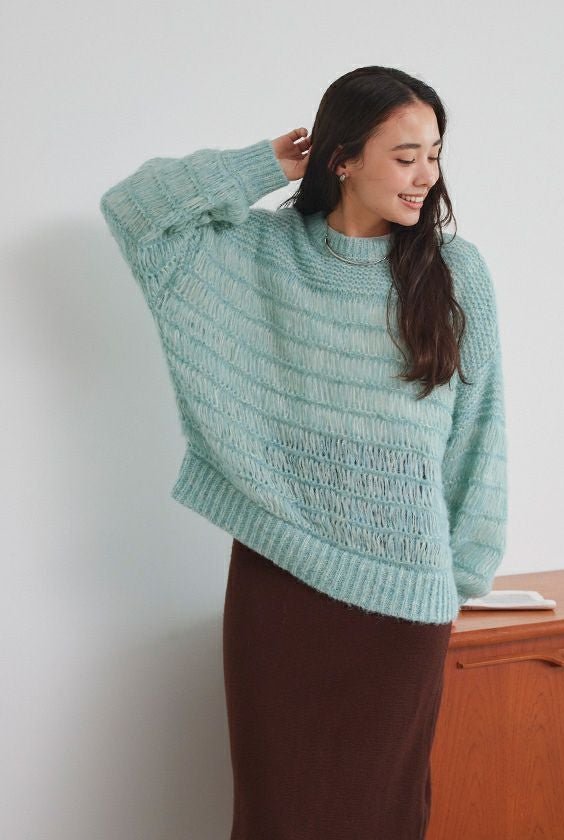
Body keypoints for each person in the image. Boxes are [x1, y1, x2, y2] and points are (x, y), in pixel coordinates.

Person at [99, 64, 508, 840]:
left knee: (383, 817)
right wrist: (261, 165)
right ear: (341, 159)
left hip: (404, 606)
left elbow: (478, 435)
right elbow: (135, 212)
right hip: (280, 589)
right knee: (278, 817)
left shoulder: (457, 274)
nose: (426, 175)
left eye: (434, 154)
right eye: (405, 156)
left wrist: (460, 578)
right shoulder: (259, 254)